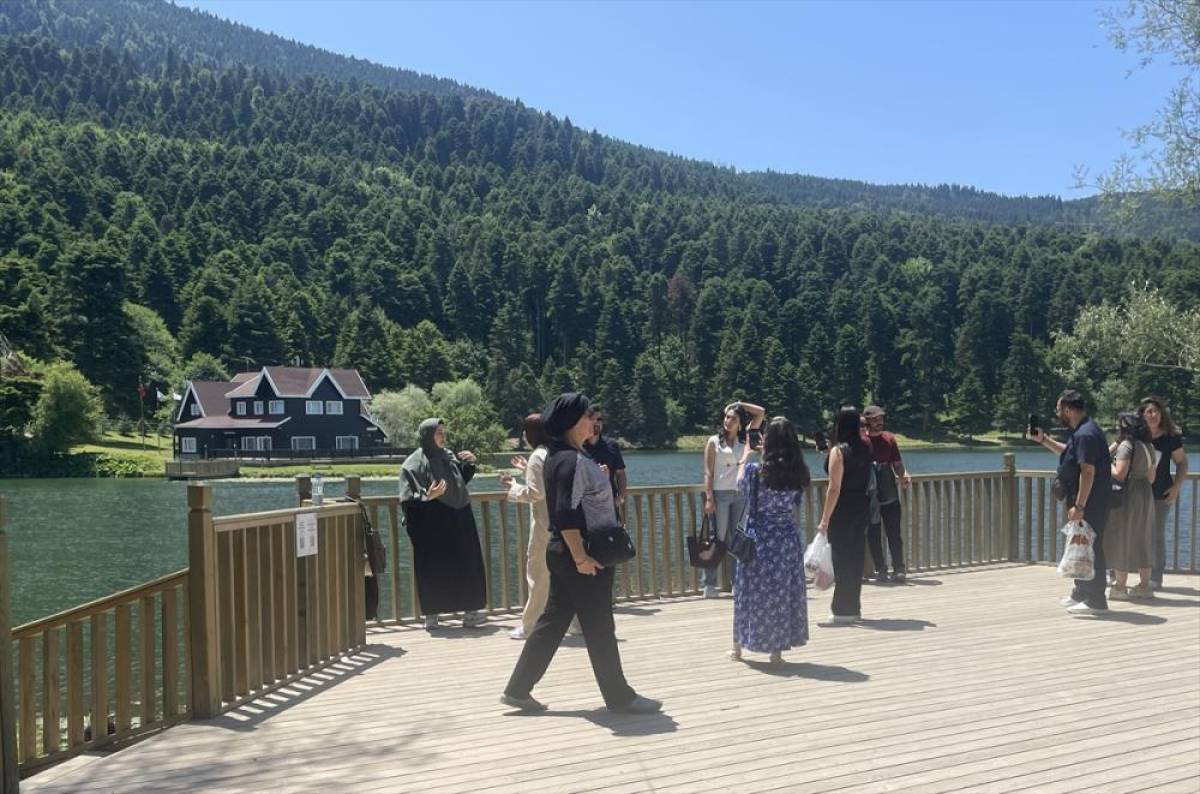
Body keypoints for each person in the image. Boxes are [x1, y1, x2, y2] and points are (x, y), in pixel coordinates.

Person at [502, 393, 661, 714]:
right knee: (600, 626)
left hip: (566, 553)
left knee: (553, 621)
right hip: (583, 555)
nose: (594, 421)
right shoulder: (570, 460)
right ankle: (620, 698)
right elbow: (566, 513)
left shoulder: (565, 455)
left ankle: (517, 690)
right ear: (573, 421)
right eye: (589, 416)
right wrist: (581, 558)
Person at [729, 417, 811, 665]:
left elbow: (740, 485)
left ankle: (737, 648)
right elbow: (795, 501)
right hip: (786, 537)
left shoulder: (756, 471)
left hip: (760, 537)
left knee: (748, 590)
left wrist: (745, 455)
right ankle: (776, 652)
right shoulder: (799, 472)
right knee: (781, 593)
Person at [399, 418, 487, 629]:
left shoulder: (448, 456)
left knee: (467, 563)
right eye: (438, 432)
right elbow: (408, 497)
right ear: (427, 435)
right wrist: (427, 496)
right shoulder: (414, 463)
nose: (443, 436)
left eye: (443, 432)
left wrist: (469, 464)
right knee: (433, 567)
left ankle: (471, 613)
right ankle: (432, 616)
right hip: (432, 523)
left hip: (459, 518)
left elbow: (457, 483)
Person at [1031, 390, 1112, 616]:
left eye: (1058, 409)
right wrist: (1043, 440)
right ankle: (1081, 592)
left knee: (1091, 547)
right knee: (1080, 545)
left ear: (1068, 409)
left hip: (1091, 503)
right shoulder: (1084, 430)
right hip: (1088, 501)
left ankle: (1097, 601)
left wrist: (1080, 505)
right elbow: (1068, 453)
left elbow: (1088, 471)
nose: (1057, 413)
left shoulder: (1085, 434)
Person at [702, 400, 765, 598]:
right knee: (717, 538)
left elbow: (760, 412)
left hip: (740, 495)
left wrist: (738, 403)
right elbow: (708, 472)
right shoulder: (714, 442)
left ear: (740, 423)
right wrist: (709, 498)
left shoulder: (745, 440)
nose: (728, 421)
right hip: (720, 494)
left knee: (737, 539)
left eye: (733, 418)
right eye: (727, 417)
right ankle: (709, 584)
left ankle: (737, 582)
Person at [815, 407, 873, 624]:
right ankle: (853, 607)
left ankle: (841, 610)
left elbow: (834, 488)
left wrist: (824, 519)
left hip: (842, 509)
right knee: (855, 558)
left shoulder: (838, 452)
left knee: (840, 558)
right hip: (861, 505)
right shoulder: (865, 447)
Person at [500, 414, 551, 640]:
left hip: (544, 527)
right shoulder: (555, 452)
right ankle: (576, 625)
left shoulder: (537, 456)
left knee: (538, 576)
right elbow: (547, 483)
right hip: (562, 526)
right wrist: (525, 470)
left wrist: (513, 486)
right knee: (565, 578)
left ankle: (531, 626)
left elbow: (535, 493)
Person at [1103, 412, 1156, 601]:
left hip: (1128, 495)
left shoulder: (1127, 445)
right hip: (1145, 493)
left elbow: (1119, 473)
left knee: (1122, 537)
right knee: (1143, 537)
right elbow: (1152, 477)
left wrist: (1105, 464)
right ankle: (1144, 586)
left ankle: (1120, 587)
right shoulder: (1148, 446)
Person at [1139, 397, 1189, 590]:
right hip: (1136, 493)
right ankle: (1121, 573)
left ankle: (1156, 577)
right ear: (1142, 415)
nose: (1153, 415)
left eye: (1157, 411)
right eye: (1149, 411)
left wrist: (1176, 487)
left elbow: (1182, 463)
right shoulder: (1137, 436)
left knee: (1156, 536)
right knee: (1132, 531)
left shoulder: (1170, 437)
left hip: (1161, 493)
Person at [863, 405, 912, 583]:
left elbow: (897, 463)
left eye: (881, 418)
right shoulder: (861, 440)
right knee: (873, 534)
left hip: (889, 492)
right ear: (867, 421)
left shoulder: (889, 439)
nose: (880, 422)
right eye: (875, 419)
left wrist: (903, 474)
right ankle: (881, 569)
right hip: (869, 496)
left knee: (894, 533)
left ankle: (899, 568)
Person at [584, 408, 628, 524]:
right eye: (592, 419)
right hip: (586, 508)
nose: (596, 422)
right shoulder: (578, 447)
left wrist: (621, 497)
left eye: (599, 419)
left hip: (609, 507)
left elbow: (620, 473)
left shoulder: (612, 445)